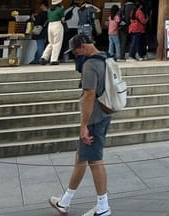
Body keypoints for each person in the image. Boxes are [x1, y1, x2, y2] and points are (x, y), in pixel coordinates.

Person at [48, 35, 113, 216]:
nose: (76, 56)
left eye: (76, 52)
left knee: (94, 160)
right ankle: (65, 201)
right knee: (81, 158)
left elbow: (89, 95)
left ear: (83, 47)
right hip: (105, 112)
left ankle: (103, 207)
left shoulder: (90, 65)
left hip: (94, 118)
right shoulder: (107, 57)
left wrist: (83, 125)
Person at [41, 0, 66, 65]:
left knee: (51, 42)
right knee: (57, 43)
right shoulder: (60, 9)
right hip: (57, 25)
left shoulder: (49, 10)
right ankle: (54, 59)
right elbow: (63, 20)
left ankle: (44, 57)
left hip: (50, 25)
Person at [30, 0, 49, 64]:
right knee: (42, 45)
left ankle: (40, 59)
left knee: (40, 46)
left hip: (40, 32)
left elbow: (37, 23)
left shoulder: (41, 14)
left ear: (43, 6)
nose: (40, 7)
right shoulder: (49, 13)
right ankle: (36, 59)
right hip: (47, 31)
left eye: (41, 5)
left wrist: (34, 19)